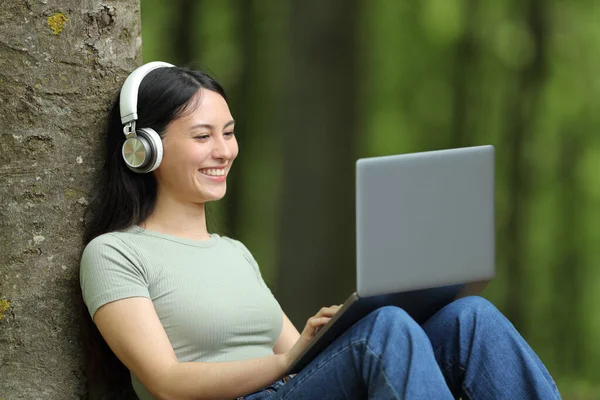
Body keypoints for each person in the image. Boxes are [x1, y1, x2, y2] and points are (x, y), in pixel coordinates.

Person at [79, 62, 561, 400]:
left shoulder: (232, 253)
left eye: (228, 132)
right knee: (384, 332)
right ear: (143, 150)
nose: (223, 151)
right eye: (203, 136)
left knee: (468, 317)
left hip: (288, 389)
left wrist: (328, 335)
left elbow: (297, 355)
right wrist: (290, 363)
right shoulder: (115, 254)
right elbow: (166, 382)